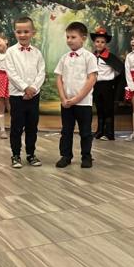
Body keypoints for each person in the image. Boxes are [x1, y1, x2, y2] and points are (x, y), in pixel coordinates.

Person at [55, 21, 98, 168]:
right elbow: (59, 78)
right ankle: (66, 156)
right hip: (66, 103)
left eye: (73, 37)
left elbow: (91, 79)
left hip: (83, 103)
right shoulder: (64, 58)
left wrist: (77, 98)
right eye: (67, 37)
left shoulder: (89, 57)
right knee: (66, 131)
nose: (69, 40)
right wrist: (63, 98)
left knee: (85, 132)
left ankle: (86, 156)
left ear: (83, 38)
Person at [6, 17, 45, 168]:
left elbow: (41, 72)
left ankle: (31, 154)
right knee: (16, 127)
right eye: (19, 32)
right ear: (15, 32)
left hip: (34, 96)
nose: (22, 35)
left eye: (26, 31)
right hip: (17, 96)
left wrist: (33, 88)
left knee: (32, 127)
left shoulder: (37, 53)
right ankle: (15, 155)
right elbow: (11, 73)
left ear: (33, 32)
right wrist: (24, 88)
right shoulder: (10, 52)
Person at [91, 27, 124, 141]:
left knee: (108, 109)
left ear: (105, 44)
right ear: (94, 43)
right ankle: (99, 131)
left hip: (107, 86)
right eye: (97, 41)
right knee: (99, 109)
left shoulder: (110, 57)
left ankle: (109, 133)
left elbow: (119, 70)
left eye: (102, 42)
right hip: (96, 85)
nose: (99, 44)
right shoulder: (92, 57)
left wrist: (112, 77)